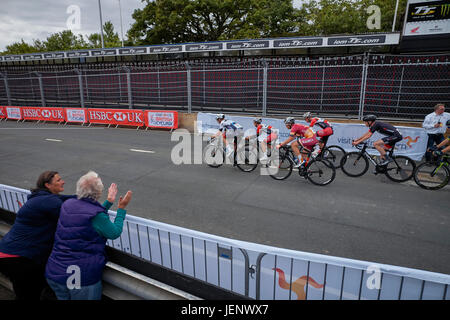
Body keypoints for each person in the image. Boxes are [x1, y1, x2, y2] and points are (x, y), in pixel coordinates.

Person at [45, 171, 132, 300]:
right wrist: (121, 209)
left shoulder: (68, 204)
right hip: (77, 277)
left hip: (54, 271)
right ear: (98, 192)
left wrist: (108, 202)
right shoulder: (96, 216)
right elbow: (113, 232)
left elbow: (87, 215)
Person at [0, 171, 75, 300]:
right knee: (31, 294)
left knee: (30, 291)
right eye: (58, 180)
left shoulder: (40, 197)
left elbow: (65, 198)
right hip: (19, 258)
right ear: (48, 185)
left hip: (9, 254)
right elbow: (73, 216)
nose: (63, 181)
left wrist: (84, 196)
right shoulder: (49, 201)